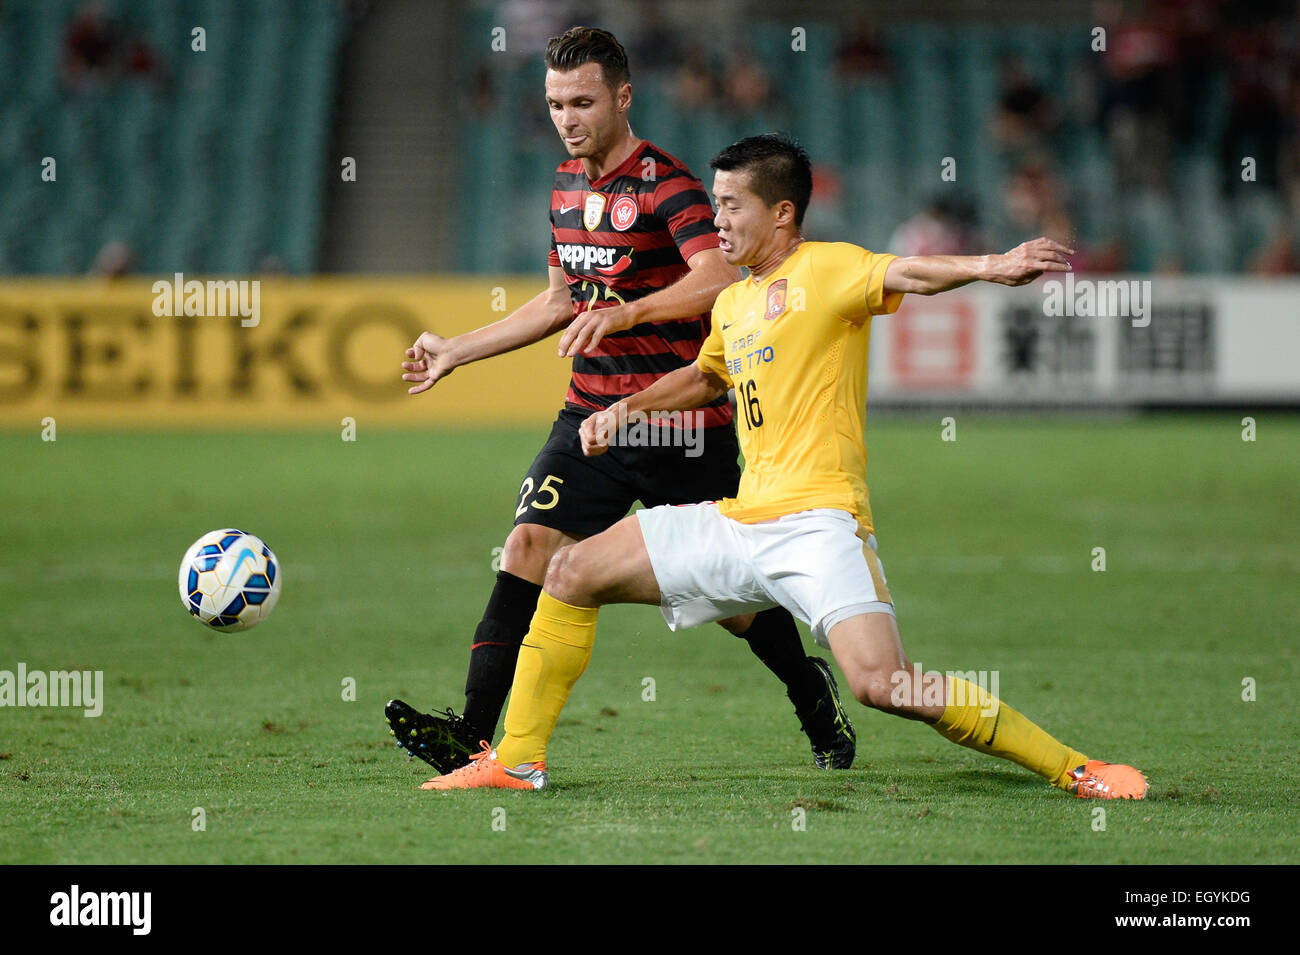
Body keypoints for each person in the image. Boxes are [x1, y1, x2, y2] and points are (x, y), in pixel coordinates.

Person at [421, 133, 1148, 801]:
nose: (718, 221)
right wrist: (628, 408)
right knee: (569, 571)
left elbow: (912, 272)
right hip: (740, 520)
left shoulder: (829, 268)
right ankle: (516, 759)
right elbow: (707, 378)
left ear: (782, 213)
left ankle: (1076, 768)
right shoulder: (733, 302)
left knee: (884, 683)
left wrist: (994, 265)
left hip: (819, 525)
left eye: (731, 206)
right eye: (714, 203)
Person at [388, 31, 857, 777]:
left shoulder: (667, 183)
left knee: (736, 604)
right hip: (588, 418)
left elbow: (715, 278)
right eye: (553, 104)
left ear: (623, 97)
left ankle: (810, 690)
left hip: (678, 421)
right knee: (527, 549)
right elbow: (557, 304)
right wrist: (457, 351)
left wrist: (630, 313)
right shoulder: (563, 186)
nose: (566, 118)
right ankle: (473, 737)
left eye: (582, 101)